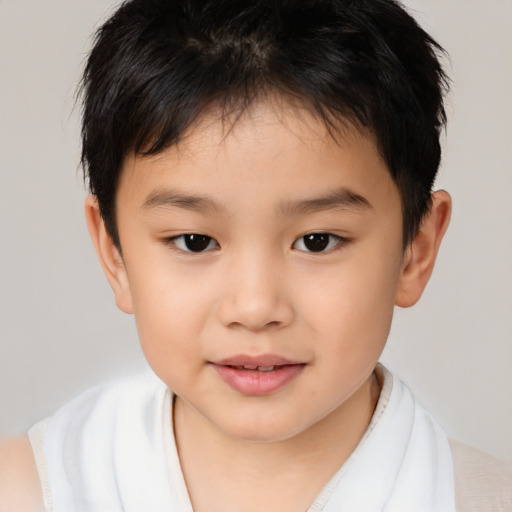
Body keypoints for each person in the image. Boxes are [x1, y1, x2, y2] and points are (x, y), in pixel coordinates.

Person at [0, 0, 510, 510]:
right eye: (195, 241)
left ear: (414, 252)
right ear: (114, 253)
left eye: (317, 241)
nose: (255, 307)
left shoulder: (483, 497)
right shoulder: (29, 491)